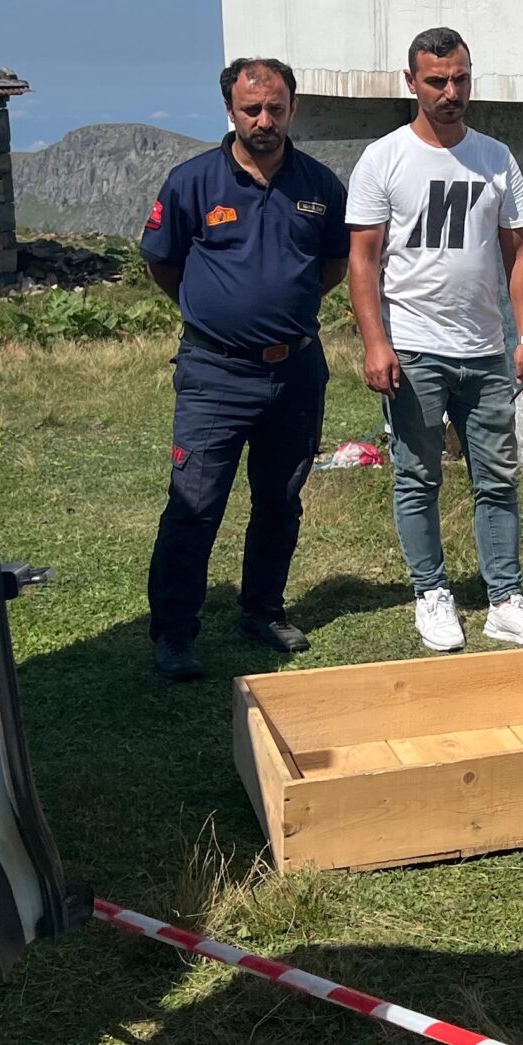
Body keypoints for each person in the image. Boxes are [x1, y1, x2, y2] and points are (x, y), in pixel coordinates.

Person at [346, 27, 523, 652]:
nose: (451, 91)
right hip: (413, 346)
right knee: (417, 475)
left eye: (461, 78)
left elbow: (519, 250)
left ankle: (505, 599)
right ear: (411, 83)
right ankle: (431, 592)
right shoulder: (383, 158)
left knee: (498, 476)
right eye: (437, 81)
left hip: (485, 348)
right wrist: (375, 342)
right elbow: (363, 259)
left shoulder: (497, 157)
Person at [140, 57, 350, 678]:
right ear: (229, 110)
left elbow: (335, 265)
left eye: (276, 107)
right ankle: (174, 633)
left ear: (292, 107)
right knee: (194, 504)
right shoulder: (192, 182)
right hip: (215, 374)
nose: (265, 120)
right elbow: (163, 263)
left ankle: (262, 609)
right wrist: (215, 314)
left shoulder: (319, 186)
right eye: (251, 109)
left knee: (280, 502)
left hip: (296, 374)